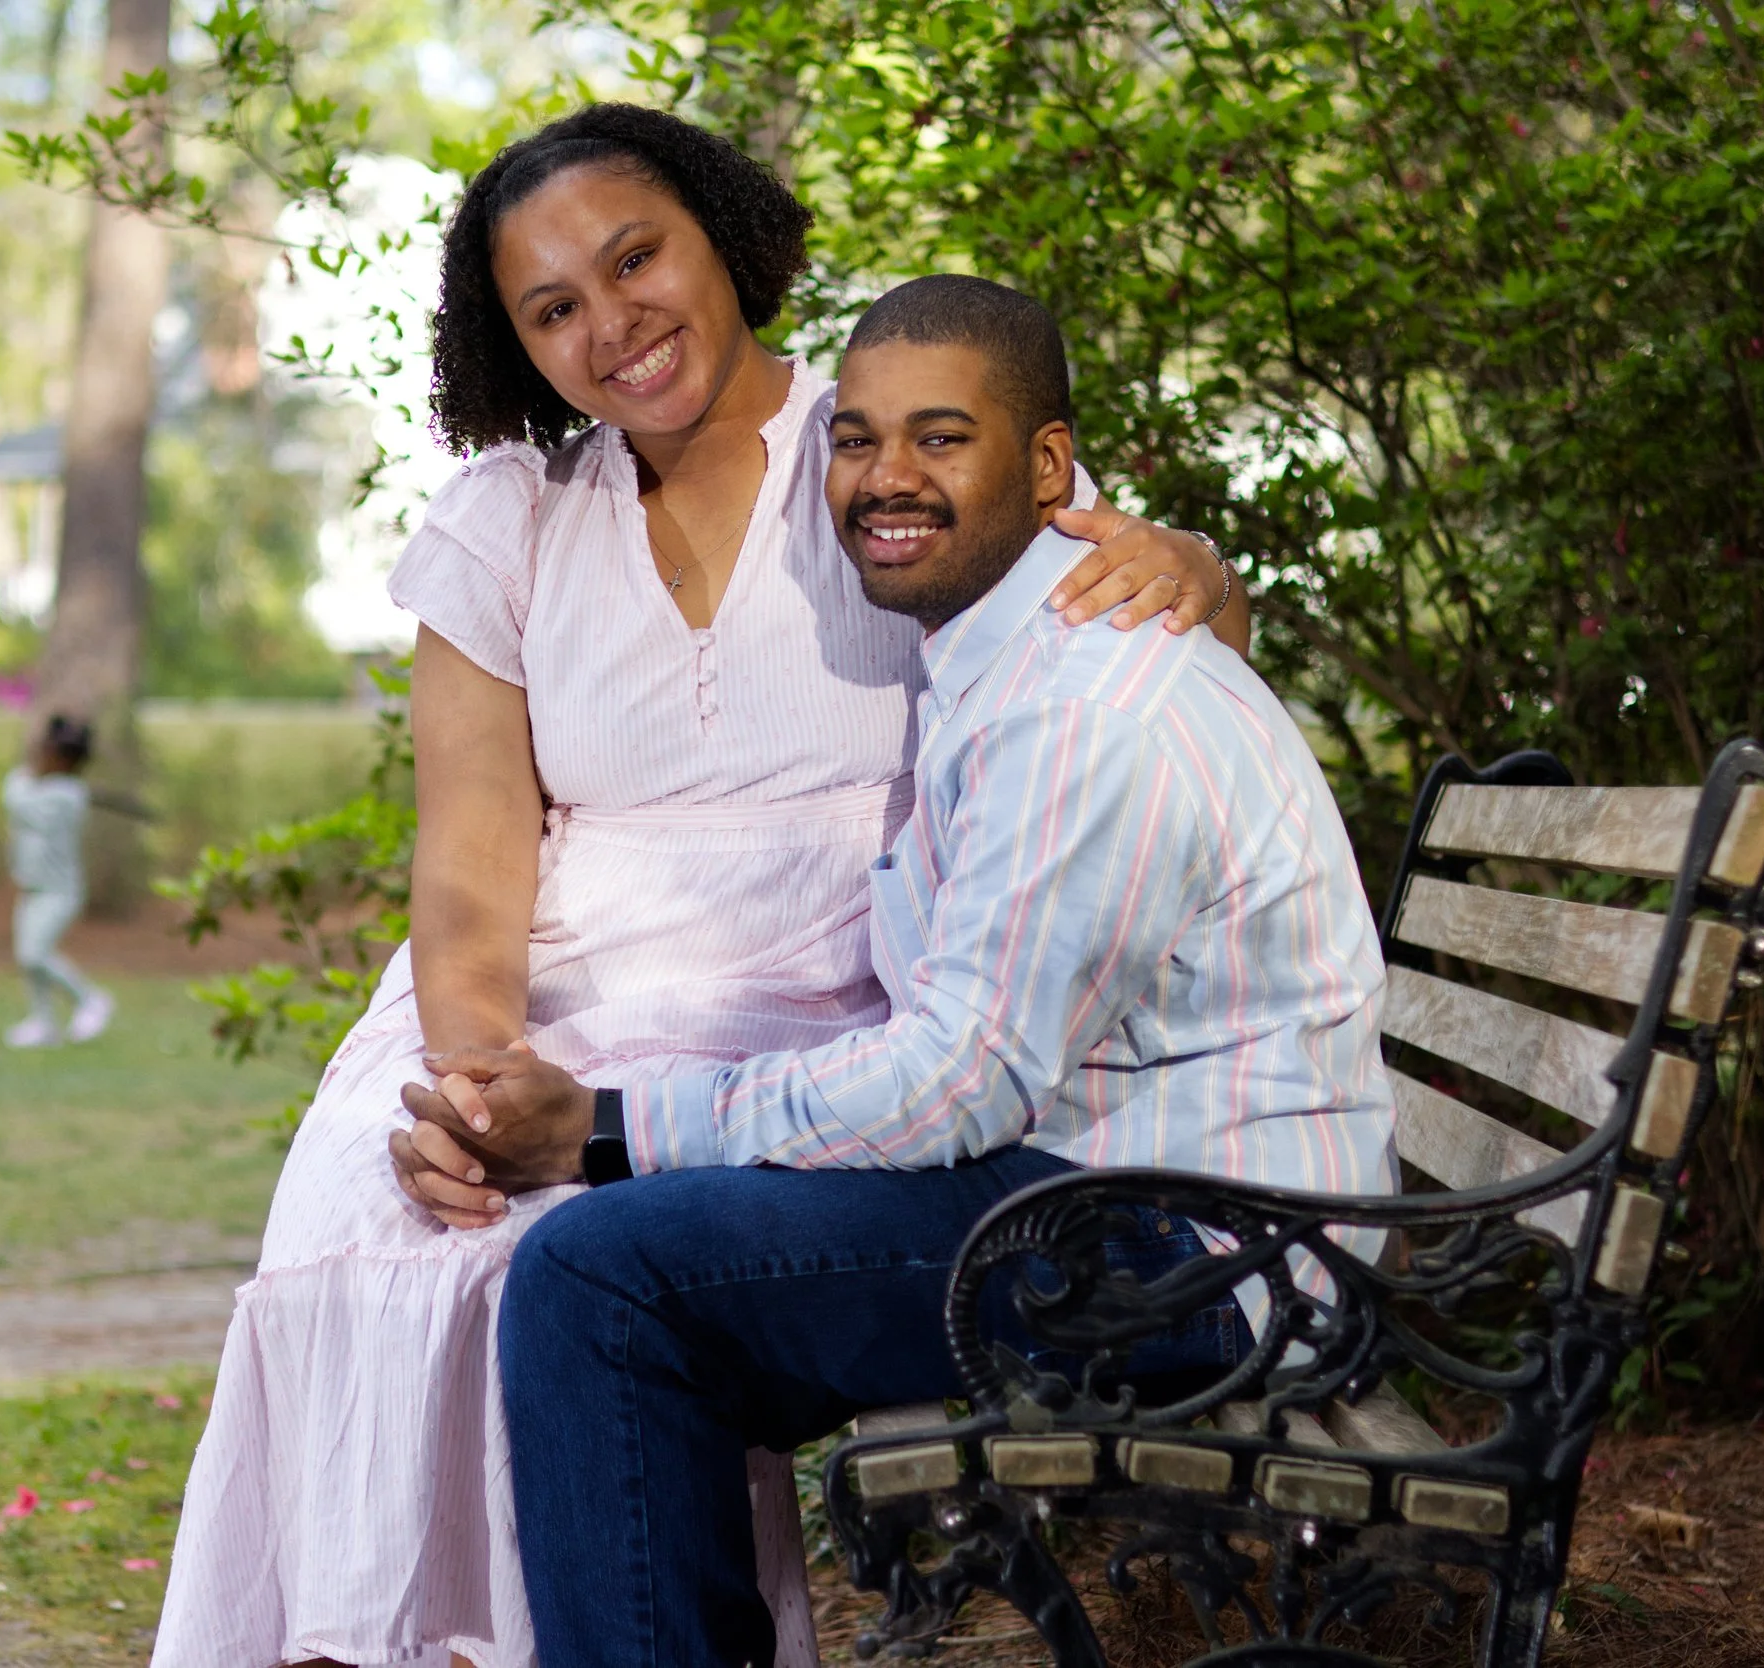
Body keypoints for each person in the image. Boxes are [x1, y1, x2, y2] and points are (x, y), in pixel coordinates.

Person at [152, 107, 1245, 1668]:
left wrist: (1200, 569)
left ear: (719, 237)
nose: (612, 326)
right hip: (545, 996)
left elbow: (1121, 624)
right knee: (376, 1211)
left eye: (634, 257)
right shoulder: (508, 521)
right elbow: (468, 863)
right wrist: (473, 1079)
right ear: (515, 347)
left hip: (818, 1005)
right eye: (553, 310)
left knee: (566, 1254)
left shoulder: (880, 440)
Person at [391, 275, 1396, 1668]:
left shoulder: (1080, 705)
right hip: (1114, 1191)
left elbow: (958, 1087)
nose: (885, 479)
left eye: (941, 438)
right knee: (637, 1274)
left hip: (1209, 1252)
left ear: (1050, 466)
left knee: (605, 1282)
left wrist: (612, 1128)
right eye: (856, 441)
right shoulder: (999, 661)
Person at [1, 713, 114, 1049]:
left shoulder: (64, 796)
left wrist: (21, 775)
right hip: (32, 887)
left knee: (36, 955)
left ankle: (91, 999)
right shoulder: (49, 787)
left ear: (64, 760)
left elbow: (18, 802)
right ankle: (43, 1023)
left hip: (59, 893)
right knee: (27, 960)